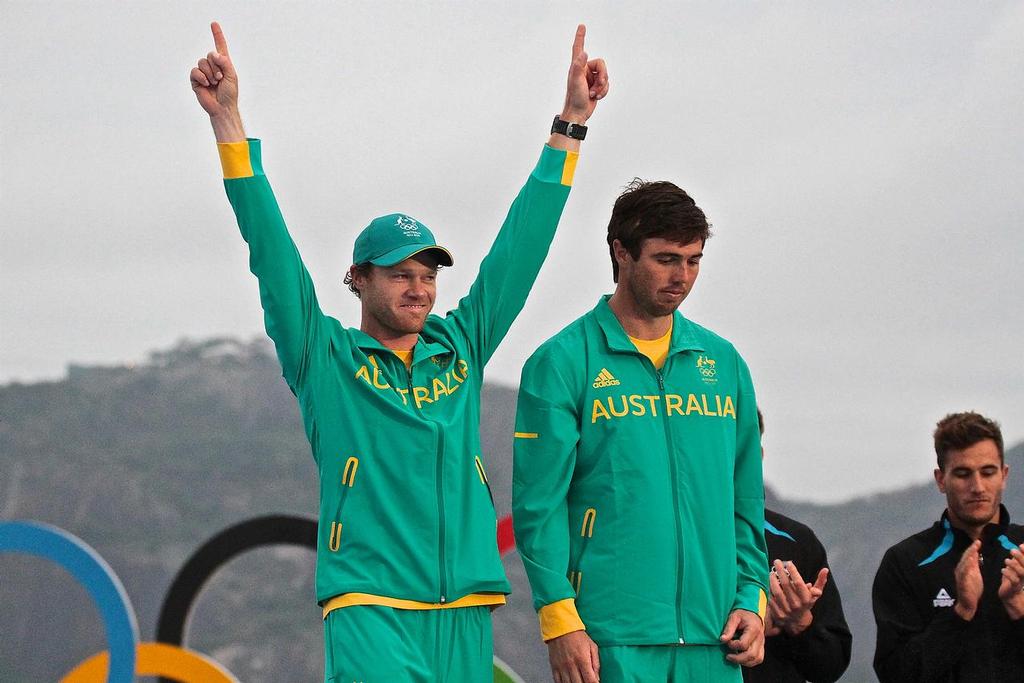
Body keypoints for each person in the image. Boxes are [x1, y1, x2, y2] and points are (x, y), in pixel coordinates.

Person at [189, 21, 608, 682]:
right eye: (398, 272)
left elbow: (518, 253)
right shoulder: (323, 358)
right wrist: (230, 125)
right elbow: (271, 251)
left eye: (429, 273)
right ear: (358, 277)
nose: (418, 287)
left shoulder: (460, 343)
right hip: (369, 602)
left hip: (465, 604)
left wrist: (570, 127)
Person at [512, 179, 768, 682]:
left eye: (693, 260)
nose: (682, 277)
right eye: (666, 259)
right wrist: (560, 622)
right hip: (609, 641)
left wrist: (752, 600)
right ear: (621, 252)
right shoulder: (561, 363)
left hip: (714, 640)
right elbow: (538, 509)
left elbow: (745, 500)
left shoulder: (724, 363)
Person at [872, 411, 1024, 682]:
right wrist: (961, 611)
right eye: (963, 474)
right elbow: (894, 674)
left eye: (987, 472)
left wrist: (1018, 609)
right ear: (941, 479)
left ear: (1004, 475)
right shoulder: (905, 562)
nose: (977, 487)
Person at [743, 409, 851, 683]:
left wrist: (800, 623)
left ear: (759, 455)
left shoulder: (796, 541)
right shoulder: (658, 539)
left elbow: (832, 666)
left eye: (744, 448)